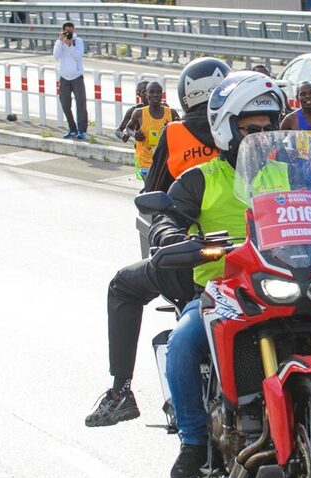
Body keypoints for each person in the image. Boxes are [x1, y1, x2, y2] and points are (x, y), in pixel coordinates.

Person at [151, 71, 311, 478]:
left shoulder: (290, 173)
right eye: (250, 129)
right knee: (182, 342)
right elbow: (165, 218)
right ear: (227, 130)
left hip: (284, 278)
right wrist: (172, 234)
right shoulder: (199, 178)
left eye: (267, 128)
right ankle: (193, 439)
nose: (260, 136)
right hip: (221, 288)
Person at [84, 58, 229, 428]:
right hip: (262, 257)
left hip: (195, 261)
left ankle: (120, 391)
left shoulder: (177, 132)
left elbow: (153, 197)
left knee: (122, 286)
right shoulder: (259, 137)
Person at [144, 58, 230, 194]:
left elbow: (153, 189)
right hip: (245, 211)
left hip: (187, 212)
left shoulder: (174, 132)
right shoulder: (245, 126)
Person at [126, 82, 180, 181]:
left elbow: (181, 133)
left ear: (162, 95)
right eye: (152, 92)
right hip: (145, 161)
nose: (155, 95)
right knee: (150, 188)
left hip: (164, 161)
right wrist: (135, 135)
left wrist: (174, 127)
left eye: (158, 92)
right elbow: (128, 128)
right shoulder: (139, 113)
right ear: (146, 94)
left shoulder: (171, 113)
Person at [53, 21, 88, 140]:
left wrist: (70, 45)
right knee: (65, 104)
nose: (70, 35)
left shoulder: (78, 41)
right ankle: (72, 129)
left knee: (81, 103)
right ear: (63, 31)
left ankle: (82, 130)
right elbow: (56, 56)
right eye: (67, 32)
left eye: (71, 32)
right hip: (64, 77)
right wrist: (60, 42)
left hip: (77, 77)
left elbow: (78, 56)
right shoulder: (59, 42)